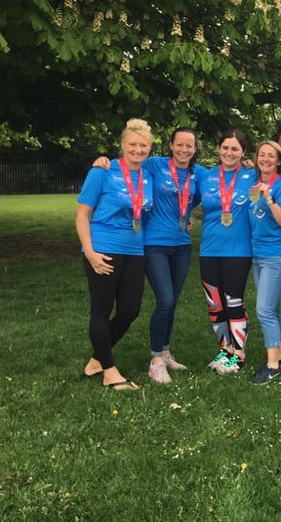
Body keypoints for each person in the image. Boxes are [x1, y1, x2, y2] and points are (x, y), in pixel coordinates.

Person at [92, 128, 205, 384]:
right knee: (164, 300)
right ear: (171, 145)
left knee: (172, 301)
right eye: (180, 145)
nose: (184, 150)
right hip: (153, 244)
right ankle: (155, 361)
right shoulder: (154, 165)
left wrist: (246, 164)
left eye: (190, 146)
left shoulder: (198, 174)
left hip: (182, 245)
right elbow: (129, 159)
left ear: (195, 149)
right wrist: (104, 161)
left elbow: (206, 188)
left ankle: (165, 351)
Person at [76, 118, 154, 390]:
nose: (138, 149)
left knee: (130, 310)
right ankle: (109, 371)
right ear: (122, 145)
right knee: (101, 308)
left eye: (143, 145)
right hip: (103, 247)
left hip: (134, 249)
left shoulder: (148, 176)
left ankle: (98, 357)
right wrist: (90, 252)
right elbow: (83, 215)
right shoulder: (102, 172)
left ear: (149, 148)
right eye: (132, 144)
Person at [199, 129, 257, 374]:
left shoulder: (253, 175)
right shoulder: (205, 176)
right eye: (225, 147)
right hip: (209, 249)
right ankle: (226, 350)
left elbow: (279, 164)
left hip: (239, 250)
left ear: (243, 152)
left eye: (235, 149)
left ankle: (239, 354)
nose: (229, 153)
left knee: (233, 301)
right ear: (219, 149)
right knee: (215, 303)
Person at [248, 140, 281, 385]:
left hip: (276, 255)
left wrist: (270, 199)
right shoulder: (254, 184)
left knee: (264, 309)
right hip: (257, 254)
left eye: (271, 156)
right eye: (261, 155)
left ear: (278, 161)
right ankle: (280, 357)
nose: (265, 159)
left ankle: (272, 365)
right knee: (272, 309)